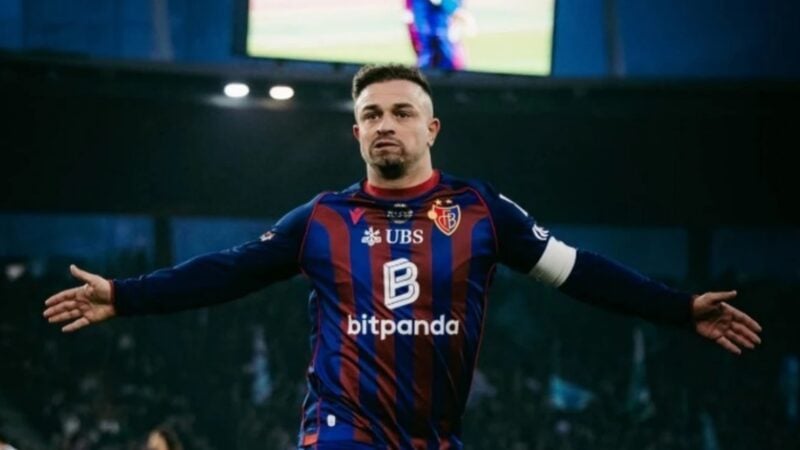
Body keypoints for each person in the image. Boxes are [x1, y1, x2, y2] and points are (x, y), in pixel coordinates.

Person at [43, 64, 763, 449]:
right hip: (341, 432)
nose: (385, 123)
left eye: (401, 111)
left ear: (432, 127)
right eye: (371, 115)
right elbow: (224, 272)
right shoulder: (321, 219)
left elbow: (580, 273)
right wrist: (126, 294)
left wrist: (677, 308)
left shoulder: (481, 212)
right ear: (356, 134)